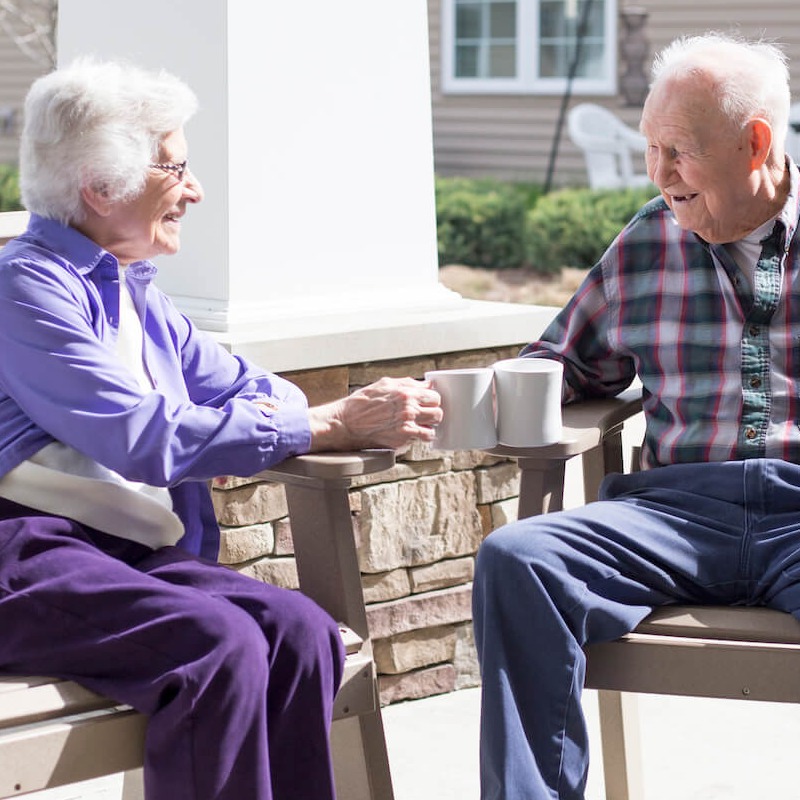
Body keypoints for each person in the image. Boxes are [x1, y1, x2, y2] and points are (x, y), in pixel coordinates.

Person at [0, 58, 442, 800]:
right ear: (101, 188)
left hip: (121, 557)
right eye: (175, 168)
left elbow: (247, 386)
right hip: (25, 555)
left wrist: (337, 413)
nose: (194, 190)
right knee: (217, 647)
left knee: (301, 633)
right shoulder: (24, 290)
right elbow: (144, 438)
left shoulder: (136, 295)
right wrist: (322, 425)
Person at [473, 31, 800, 799]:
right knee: (520, 560)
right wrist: (481, 394)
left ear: (755, 143)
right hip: (674, 515)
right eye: (651, 149)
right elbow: (559, 360)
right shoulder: (648, 239)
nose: (659, 175)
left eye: (678, 151)